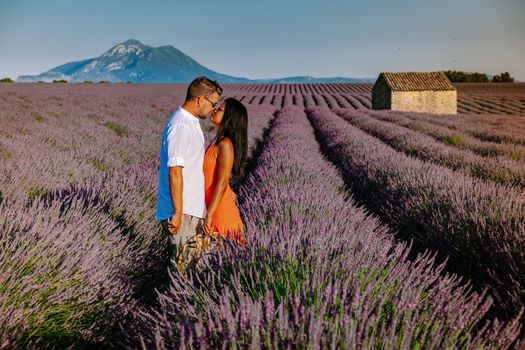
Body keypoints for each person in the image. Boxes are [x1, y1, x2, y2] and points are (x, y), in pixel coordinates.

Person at [155, 76, 223, 273]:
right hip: (182, 212)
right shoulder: (181, 125)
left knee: (193, 267)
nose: (213, 109)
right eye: (213, 103)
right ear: (200, 99)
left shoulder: (191, 123)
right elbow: (175, 171)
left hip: (191, 210)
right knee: (182, 269)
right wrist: (177, 212)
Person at [202, 98, 248, 246]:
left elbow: (222, 183)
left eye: (219, 109)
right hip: (212, 206)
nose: (214, 109)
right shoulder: (217, 142)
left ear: (228, 118)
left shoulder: (225, 145)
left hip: (219, 211)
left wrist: (209, 214)